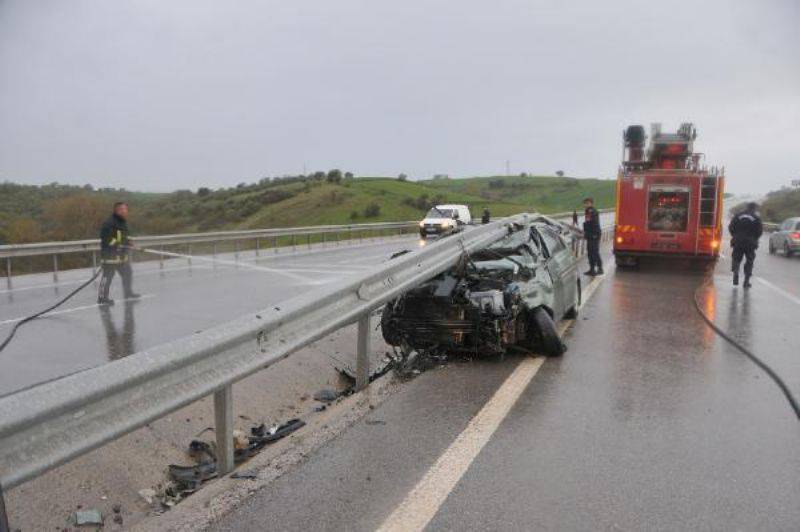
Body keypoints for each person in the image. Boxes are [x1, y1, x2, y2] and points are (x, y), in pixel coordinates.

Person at [98, 202, 140, 304]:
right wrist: (119, 244)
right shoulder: (109, 223)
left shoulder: (123, 223)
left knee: (127, 273)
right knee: (107, 276)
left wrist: (129, 242)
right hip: (110, 255)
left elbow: (125, 236)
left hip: (121, 256)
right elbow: (107, 239)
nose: (125, 211)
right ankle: (102, 298)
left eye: (126, 209)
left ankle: (128, 292)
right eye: (123, 209)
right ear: (117, 210)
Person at [729, 202, 763, 288]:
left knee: (736, 258)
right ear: (754, 208)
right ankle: (746, 281)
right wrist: (754, 238)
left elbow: (731, 227)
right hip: (750, 243)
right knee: (749, 261)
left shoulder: (738, 215)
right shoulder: (756, 218)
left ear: (746, 207)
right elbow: (759, 231)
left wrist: (735, 236)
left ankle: (736, 271)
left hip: (738, 241)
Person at [583, 197, 603, 275]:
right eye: (585, 203)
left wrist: (589, 233)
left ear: (591, 203)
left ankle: (600, 268)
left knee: (594, 252)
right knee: (590, 252)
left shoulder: (591, 211)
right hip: (591, 234)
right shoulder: (588, 211)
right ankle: (592, 269)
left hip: (594, 235)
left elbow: (591, 224)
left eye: (587, 203)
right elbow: (588, 223)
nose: (585, 204)